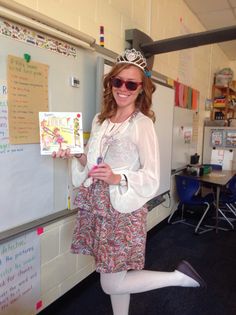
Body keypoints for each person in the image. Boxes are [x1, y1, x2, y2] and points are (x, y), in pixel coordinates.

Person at [53, 48, 206, 315]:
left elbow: (152, 175)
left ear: (141, 89)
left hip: (123, 209)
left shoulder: (142, 124)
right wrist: (77, 154)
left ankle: (178, 277)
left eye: (131, 83)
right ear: (110, 82)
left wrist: (117, 176)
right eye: (118, 81)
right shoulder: (99, 121)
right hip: (99, 205)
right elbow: (91, 164)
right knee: (116, 275)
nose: (123, 89)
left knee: (112, 283)